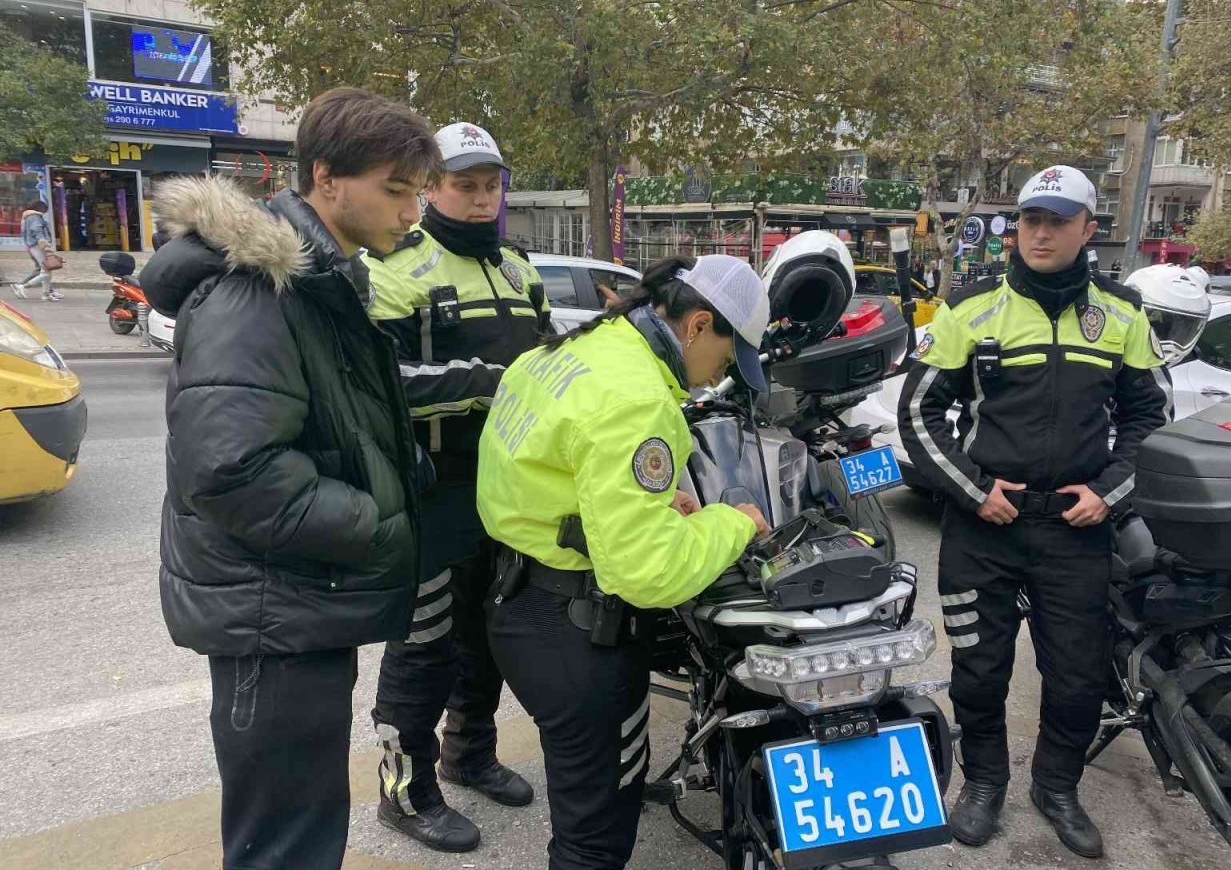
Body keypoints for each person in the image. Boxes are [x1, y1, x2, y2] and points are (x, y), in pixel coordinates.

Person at [139, 87, 440, 870]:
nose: (413, 211)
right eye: (396, 189)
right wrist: (371, 519)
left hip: (297, 599)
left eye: (416, 191)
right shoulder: (256, 289)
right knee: (285, 846)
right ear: (326, 178)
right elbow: (231, 469)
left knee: (300, 831)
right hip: (272, 614)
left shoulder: (320, 279)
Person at [898, 165, 1171, 859]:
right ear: (1015, 227)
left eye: (1057, 220)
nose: (1041, 233)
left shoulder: (1121, 311)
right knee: (980, 671)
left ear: (1088, 229)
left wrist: (1107, 492)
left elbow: (1151, 419)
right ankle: (985, 783)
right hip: (984, 525)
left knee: (1078, 678)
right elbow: (921, 410)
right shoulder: (973, 306)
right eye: (1029, 220)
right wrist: (972, 488)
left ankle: (1056, 788)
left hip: (1075, 531)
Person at [478, 254, 772, 870]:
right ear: (695, 326)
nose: (717, 375)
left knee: (595, 788)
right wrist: (731, 523)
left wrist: (657, 503)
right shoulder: (637, 400)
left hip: (519, 598)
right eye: (726, 355)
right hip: (580, 633)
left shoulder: (571, 349)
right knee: (594, 839)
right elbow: (645, 571)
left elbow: (549, 472)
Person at [362, 122, 549, 853]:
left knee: (488, 638)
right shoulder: (395, 266)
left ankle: (468, 754)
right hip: (430, 492)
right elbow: (383, 388)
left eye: (490, 185)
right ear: (431, 186)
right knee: (424, 646)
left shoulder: (519, 269)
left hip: (508, 493)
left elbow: (549, 370)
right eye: (463, 185)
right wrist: (495, 384)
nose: (479, 199)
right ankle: (404, 795)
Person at [11, 200, 61, 301]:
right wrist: (45, 245)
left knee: (46, 270)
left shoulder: (28, 217)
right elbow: (37, 231)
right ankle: (22, 286)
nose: (45, 213)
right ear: (40, 208)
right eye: (44, 210)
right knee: (46, 271)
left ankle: (46, 294)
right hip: (38, 246)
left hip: (34, 245)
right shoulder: (34, 217)